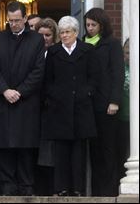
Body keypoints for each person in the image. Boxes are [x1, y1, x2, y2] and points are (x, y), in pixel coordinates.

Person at [0, 1, 46, 196]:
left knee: (26, 147)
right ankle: (7, 187)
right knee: (4, 147)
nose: (14, 24)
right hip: (4, 101)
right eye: (10, 21)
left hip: (26, 102)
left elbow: (38, 71)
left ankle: (26, 187)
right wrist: (5, 90)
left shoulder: (36, 40)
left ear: (26, 18)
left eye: (17, 21)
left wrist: (20, 91)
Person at [41, 16, 100, 196]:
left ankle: (78, 189)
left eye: (67, 32)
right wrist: (54, 95)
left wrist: (86, 93)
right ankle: (61, 188)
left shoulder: (87, 50)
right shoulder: (54, 52)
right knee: (61, 152)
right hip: (59, 109)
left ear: (75, 33)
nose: (64, 35)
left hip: (81, 108)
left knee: (78, 152)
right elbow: (47, 80)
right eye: (62, 32)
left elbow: (94, 78)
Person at [83, 7, 125, 197]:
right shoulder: (82, 42)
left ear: (102, 25)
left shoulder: (112, 44)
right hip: (88, 106)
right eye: (87, 25)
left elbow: (117, 74)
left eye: (93, 25)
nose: (90, 28)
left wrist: (114, 100)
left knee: (108, 151)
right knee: (94, 151)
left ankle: (109, 193)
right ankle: (96, 194)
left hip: (107, 105)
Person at [34, 17, 59, 196]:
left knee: (49, 153)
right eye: (40, 35)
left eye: (48, 35)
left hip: (51, 109)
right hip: (32, 108)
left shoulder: (57, 54)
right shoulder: (31, 53)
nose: (44, 39)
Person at [116, 38, 130, 183]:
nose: (129, 56)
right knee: (121, 154)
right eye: (127, 53)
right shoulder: (119, 69)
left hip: (135, 120)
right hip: (121, 119)